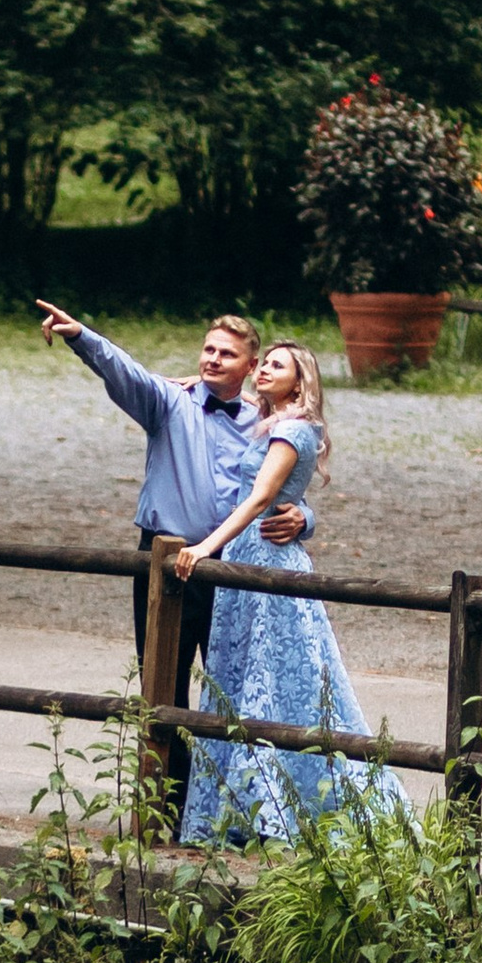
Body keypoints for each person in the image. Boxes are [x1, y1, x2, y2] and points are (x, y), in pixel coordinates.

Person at [170, 339, 411, 847]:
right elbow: (247, 409)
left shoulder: (293, 430)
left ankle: (284, 809)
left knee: (276, 677)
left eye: (277, 366)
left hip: (266, 559)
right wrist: (200, 382)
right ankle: (242, 807)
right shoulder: (271, 421)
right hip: (244, 558)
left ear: (300, 384)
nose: (264, 370)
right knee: (239, 678)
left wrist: (207, 546)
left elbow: (262, 496)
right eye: (264, 363)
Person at [34, 301, 313, 695]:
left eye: (227, 354)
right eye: (209, 349)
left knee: (232, 687)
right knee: (162, 683)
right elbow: (124, 371)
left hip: (232, 566)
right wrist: (81, 336)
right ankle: (162, 741)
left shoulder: (264, 420)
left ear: (251, 367)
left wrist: (304, 518)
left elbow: (281, 486)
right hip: (168, 559)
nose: (213, 359)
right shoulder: (167, 401)